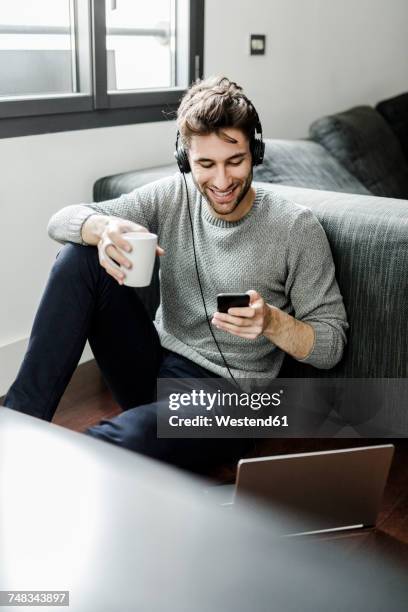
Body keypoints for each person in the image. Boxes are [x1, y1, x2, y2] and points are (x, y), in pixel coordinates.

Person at [3, 76, 348, 472]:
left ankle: (52, 483)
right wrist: (101, 229)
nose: (221, 182)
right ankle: (18, 432)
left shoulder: (295, 228)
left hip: (227, 402)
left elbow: (332, 344)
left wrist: (272, 321)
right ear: (186, 160)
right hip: (154, 366)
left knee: (119, 441)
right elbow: (61, 220)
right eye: (206, 164)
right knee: (78, 257)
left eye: (235, 161)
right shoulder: (172, 194)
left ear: (256, 152)